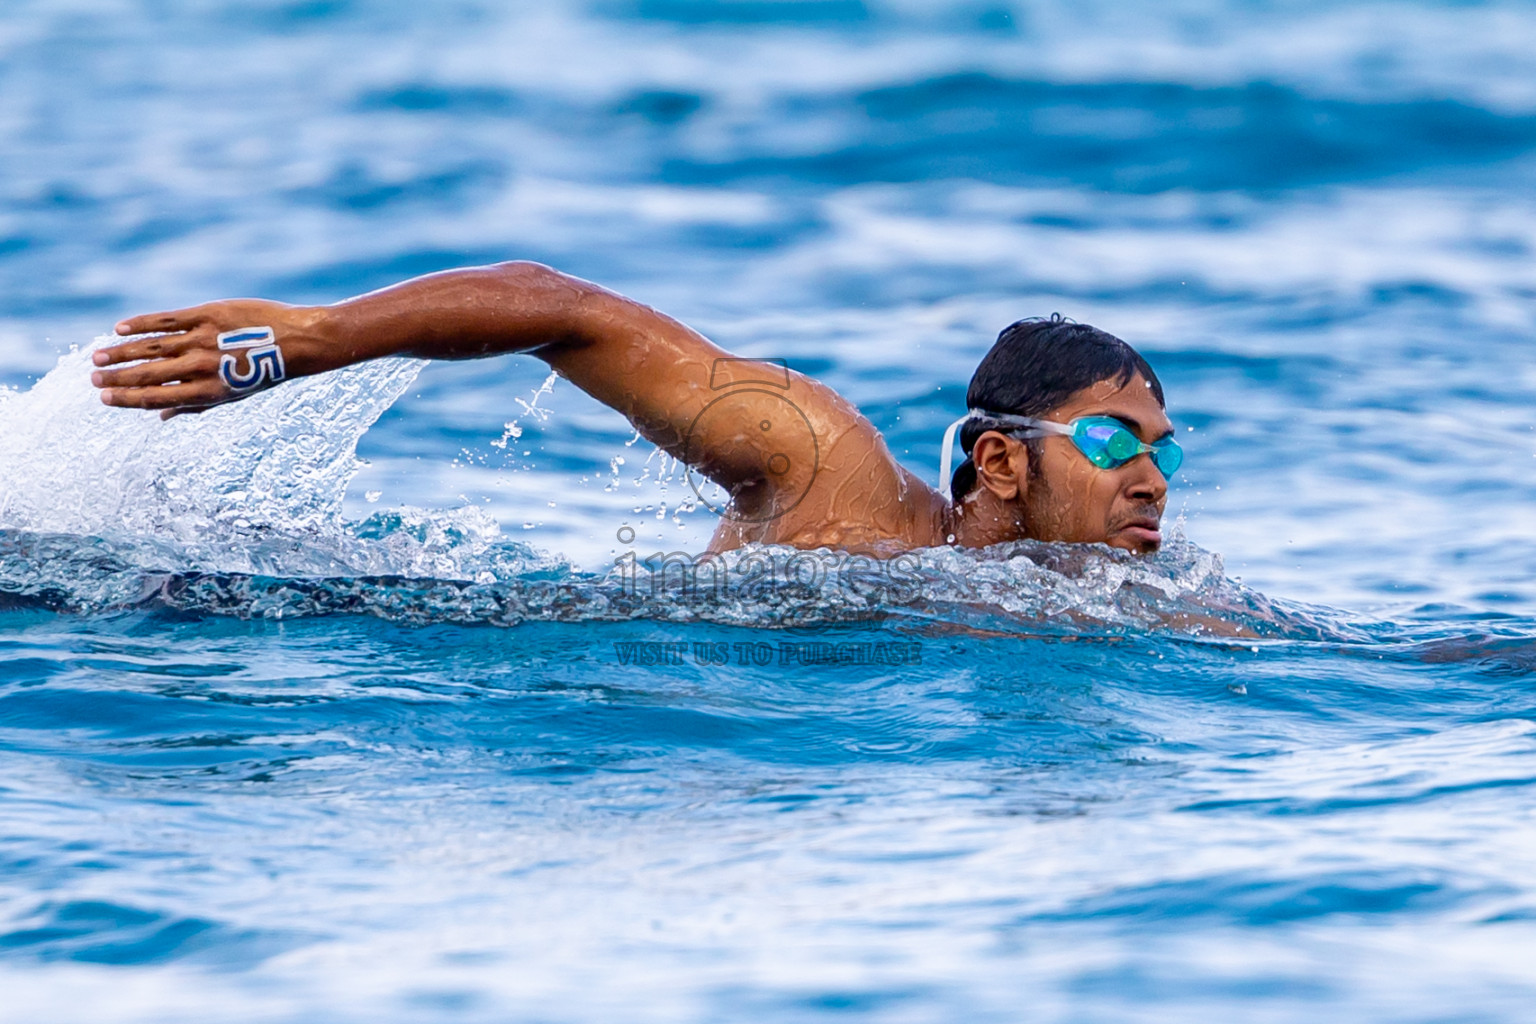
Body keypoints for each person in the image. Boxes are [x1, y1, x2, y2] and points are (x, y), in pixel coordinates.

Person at [90, 261, 1180, 556]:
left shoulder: (1130, 605)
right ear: (996, 461)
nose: (1150, 479)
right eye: (1110, 439)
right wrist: (314, 338)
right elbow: (565, 309)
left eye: (1166, 454)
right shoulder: (829, 474)